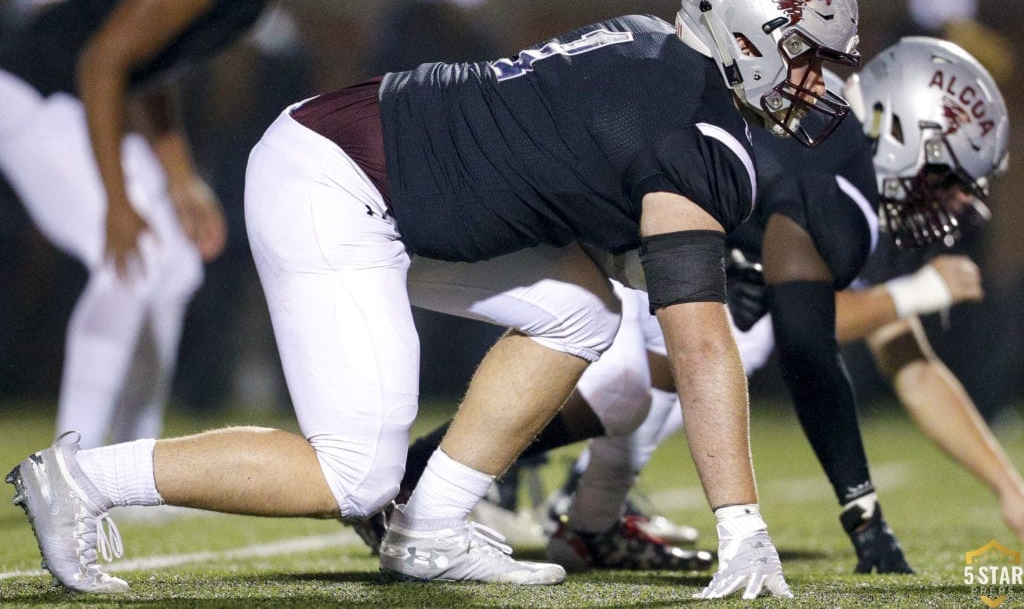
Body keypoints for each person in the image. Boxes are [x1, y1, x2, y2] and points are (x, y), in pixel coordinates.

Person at [6, 0, 862, 598]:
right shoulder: (693, 132)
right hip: (340, 181)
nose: (818, 84)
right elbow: (704, 343)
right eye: (808, 55)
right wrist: (741, 520)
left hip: (372, 166)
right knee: (354, 471)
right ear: (747, 32)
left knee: (582, 312)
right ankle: (80, 477)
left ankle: (433, 527)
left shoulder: (648, 48)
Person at [398, 36, 1014, 573]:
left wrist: (1009, 489)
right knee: (636, 380)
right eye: (949, 179)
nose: (954, 205)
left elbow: (908, 361)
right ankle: (418, 481)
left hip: (664, 256)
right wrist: (916, 293)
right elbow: (809, 332)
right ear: (899, 128)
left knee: (678, 366)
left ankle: (591, 519)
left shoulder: (853, 188)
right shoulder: (831, 165)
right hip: (622, 235)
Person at [0, 0, 342, 452]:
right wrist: (117, 202)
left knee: (175, 265)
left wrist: (181, 180)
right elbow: (103, 61)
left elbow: (146, 67)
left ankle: (131, 461)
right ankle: (72, 462)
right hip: (31, 96)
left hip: (73, 105)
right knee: (127, 265)